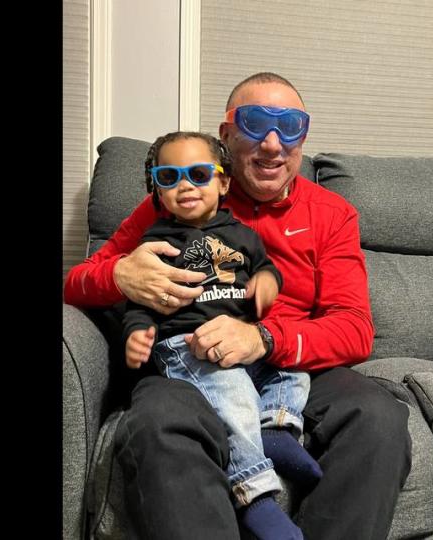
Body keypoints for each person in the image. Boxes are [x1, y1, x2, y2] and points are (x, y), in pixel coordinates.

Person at [64, 72, 411, 540]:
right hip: (188, 355)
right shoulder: (179, 199)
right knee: (156, 424)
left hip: (289, 363)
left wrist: (263, 338)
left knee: (379, 418)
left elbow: (353, 328)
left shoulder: (331, 214)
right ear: (225, 137)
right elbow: (75, 285)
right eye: (254, 124)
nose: (273, 144)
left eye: (290, 126)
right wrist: (120, 274)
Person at [123, 131, 320, 540]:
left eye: (198, 173)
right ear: (156, 188)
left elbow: (267, 266)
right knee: (232, 392)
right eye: (169, 176)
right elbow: (140, 300)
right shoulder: (157, 242)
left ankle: (277, 430)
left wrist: (266, 282)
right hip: (187, 344)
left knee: (293, 371)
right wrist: (139, 331)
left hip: (243, 337)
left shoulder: (243, 235)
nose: (185, 186)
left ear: (223, 182)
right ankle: (255, 494)